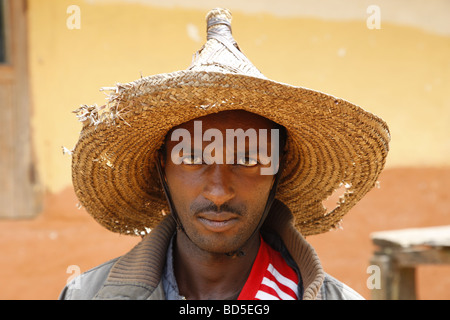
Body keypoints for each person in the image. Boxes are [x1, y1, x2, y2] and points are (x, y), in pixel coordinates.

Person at [60, 8, 390, 300]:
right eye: (192, 159)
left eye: (247, 161)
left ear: (278, 169)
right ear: (163, 169)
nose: (219, 191)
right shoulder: (85, 295)